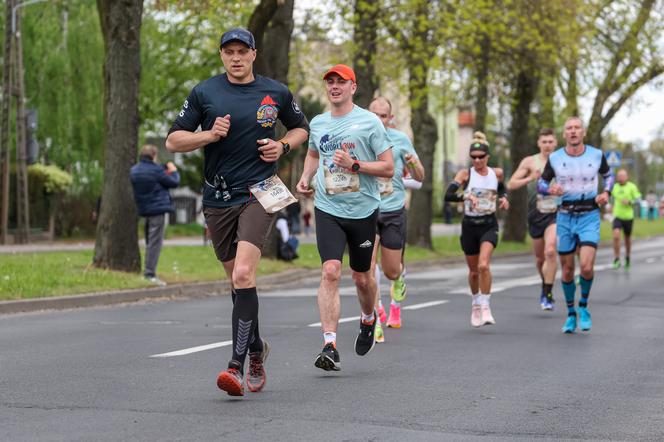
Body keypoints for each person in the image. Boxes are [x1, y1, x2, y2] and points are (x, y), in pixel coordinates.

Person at [165, 28, 309, 396]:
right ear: (222, 55)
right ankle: (258, 347)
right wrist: (209, 135)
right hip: (218, 197)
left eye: (242, 51)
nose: (236, 57)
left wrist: (282, 146)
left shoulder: (275, 92)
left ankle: (237, 366)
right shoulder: (205, 92)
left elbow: (300, 129)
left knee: (244, 273)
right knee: (237, 281)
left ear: (253, 54)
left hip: (262, 190)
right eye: (229, 51)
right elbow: (173, 139)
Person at [296, 64, 394, 371]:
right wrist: (305, 177)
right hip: (328, 208)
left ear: (353, 87)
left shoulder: (369, 122)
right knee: (330, 271)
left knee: (362, 278)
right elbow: (314, 153)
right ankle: (329, 344)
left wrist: (354, 165)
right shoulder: (319, 122)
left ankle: (368, 318)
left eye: (341, 82)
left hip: (363, 209)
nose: (335, 86)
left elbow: (388, 167)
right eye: (330, 82)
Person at [537, 116, 613, 334]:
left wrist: (606, 192)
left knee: (587, 267)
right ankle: (571, 314)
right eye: (569, 128)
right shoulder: (555, 158)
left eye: (576, 128)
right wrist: (549, 189)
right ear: (564, 134)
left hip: (589, 214)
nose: (573, 131)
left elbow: (608, 176)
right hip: (565, 216)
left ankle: (584, 307)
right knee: (568, 270)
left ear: (583, 132)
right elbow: (541, 182)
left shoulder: (597, 155)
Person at [367, 97, 425, 342]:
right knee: (366, 269)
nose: (379, 120)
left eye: (384, 116)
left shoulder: (401, 140)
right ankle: (375, 315)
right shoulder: (358, 137)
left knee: (391, 270)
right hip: (366, 210)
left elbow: (420, 177)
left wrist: (413, 163)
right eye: (375, 115)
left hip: (393, 211)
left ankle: (399, 277)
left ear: (390, 118)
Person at [444, 132, 509, 327]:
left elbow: (502, 188)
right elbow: (448, 195)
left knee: (483, 266)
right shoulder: (466, 174)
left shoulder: (496, 173)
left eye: (481, 157)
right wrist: (465, 196)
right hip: (470, 226)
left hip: (489, 224)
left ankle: (486, 306)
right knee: (473, 272)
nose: (478, 160)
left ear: (488, 157)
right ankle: (475, 304)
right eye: (474, 157)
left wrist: (504, 197)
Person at [506, 128, 558, 310]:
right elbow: (511, 184)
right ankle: (545, 285)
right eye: (544, 142)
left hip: (556, 212)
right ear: (539, 144)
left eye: (551, 142)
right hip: (535, 213)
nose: (548, 145)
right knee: (539, 258)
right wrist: (530, 178)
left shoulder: (563, 161)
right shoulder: (530, 161)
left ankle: (548, 292)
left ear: (556, 143)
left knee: (551, 251)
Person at [129, 144, 180, 286]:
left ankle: (148, 269)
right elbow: (174, 182)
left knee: (149, 242)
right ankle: (149, 273)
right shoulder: (156, 170)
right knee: (155, 243)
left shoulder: (134, 170)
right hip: (157, 210)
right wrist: (174, 170)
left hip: (144, 210)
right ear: (153, 155)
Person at [610, 169, 640, 269]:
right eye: (619, 176)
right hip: (617, 216)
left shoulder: (632, 186)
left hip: (628, 217)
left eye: (623, 176)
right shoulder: (614, 187)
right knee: (616, 236)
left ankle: (627, 257)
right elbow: (610, 197)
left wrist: (630, 202)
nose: (621, 178)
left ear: (627, 177)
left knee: (627, 239)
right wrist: (609, 205)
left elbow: (638, 200)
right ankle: (617, 259)